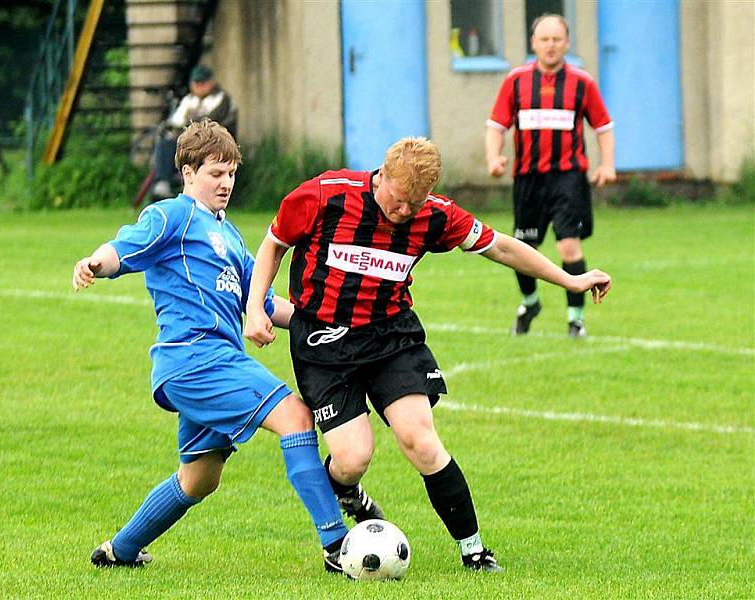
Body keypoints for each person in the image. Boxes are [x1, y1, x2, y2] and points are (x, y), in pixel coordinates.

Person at [244, 137, 612, 573]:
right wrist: (255, 306)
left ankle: (474, 551)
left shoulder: (434, 215)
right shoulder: (325, 194)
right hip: (323, 343)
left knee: (419, 437)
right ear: (382, 175)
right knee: (352, 458)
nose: (403, 213)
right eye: (398, 201)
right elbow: (273, 244)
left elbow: (502, 246)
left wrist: (569, 281)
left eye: (412, 206)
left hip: (390, 338)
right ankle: (346, 493)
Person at [72, 119, 348, 573]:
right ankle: (338, 546)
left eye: (231, 173)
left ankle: (118, 552)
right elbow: (123, 248)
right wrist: (94, 263)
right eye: (215, 173)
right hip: (196, 358)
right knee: (295, 416)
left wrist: (318, 319)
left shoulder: (229, 234)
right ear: (188, 173)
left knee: (200, 479)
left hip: (210, 362)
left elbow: (256, 300)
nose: (226, 183)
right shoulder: (171, 216)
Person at [485, 13, 616, 338]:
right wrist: (493, 157)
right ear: (533, 43)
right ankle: (530, 303)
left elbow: (603, 127)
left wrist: (607, 164)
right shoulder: (516, 81)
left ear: (567, 43)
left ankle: (576, 319)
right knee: (522, 247)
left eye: (557, 39)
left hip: (568, 178)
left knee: (569, 246)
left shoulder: (581, 83)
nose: (550, 46)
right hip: (528, 180)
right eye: (544, 39)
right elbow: (496, 126)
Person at [151, 65, 239, 199]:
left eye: (202, 83)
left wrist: (187, 126)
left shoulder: (222, 99)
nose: (199, 86)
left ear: (211, 82)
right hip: (189, 142)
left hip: (215, 144)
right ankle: (163, 182)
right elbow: (175, 121)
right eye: (196, 83)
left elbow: (212, 123)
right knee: (165, 142)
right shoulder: (188, 100)